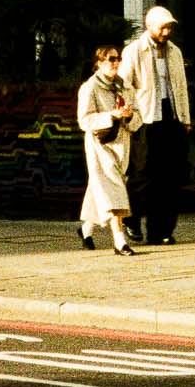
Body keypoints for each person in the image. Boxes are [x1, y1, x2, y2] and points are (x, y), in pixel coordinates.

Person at [118, 6, 192, 246]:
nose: (167, 31)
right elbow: (122, 85)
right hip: (146, 119)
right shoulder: (134, 51)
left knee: (170, 177)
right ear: (149, 26)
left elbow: (181, 87)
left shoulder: (175, 52)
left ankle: (162, 230)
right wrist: (130, 115)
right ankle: (130, 217)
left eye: (170, 27)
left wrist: (186, 118)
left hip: (171, 118)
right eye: (163, 27)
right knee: (143, 174)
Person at [73, 44, 137, 256]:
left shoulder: (125, 87)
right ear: (99, 63)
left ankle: (85, 230)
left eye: (118, 58)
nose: (116, 62)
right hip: (100, 145)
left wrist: (128, 116)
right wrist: (111, 116)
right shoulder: (90, 88)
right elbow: (84, 120)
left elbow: (137, 116)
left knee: (99, 189)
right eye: (111, 59)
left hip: (122, 144)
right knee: (113, 189)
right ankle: (120, 242)